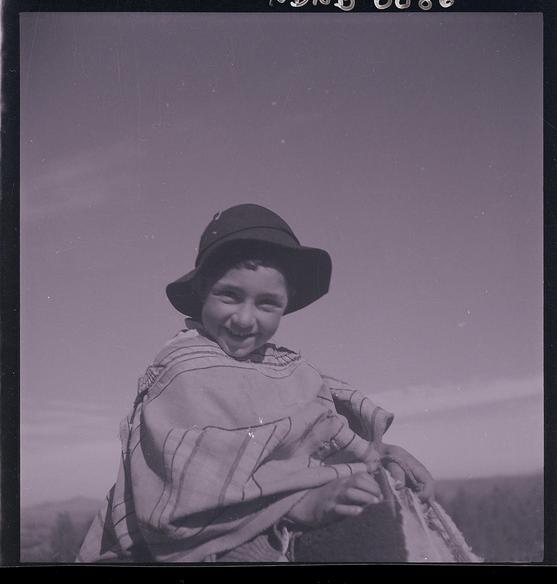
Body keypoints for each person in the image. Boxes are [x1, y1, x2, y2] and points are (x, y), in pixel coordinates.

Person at [77, 203, 434, 563]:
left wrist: (380, 453)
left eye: (267, 304)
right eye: (230, 296)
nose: (245, 319)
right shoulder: (184, 368)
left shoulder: (287, 368)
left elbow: (318, 434)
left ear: (286, 304)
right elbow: (186, 487)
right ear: (202, 290)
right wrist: (298, 503)